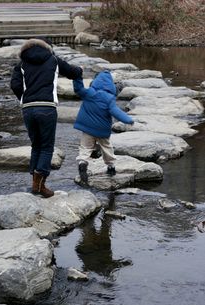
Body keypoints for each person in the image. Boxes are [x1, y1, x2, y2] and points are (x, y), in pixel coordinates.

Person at [10, 38, 82, 198]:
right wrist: (80, 71)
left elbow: (14, 85)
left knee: (36, 145)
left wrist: (24, 98)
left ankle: (35, 184)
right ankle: (40, 183)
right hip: (47, 107)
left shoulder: (21, 63)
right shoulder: (53, 60)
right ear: (47, 47)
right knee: (47, 147)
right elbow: (73, 72)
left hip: (28, 109)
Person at [73, 70, 134, 183]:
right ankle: (111, 167)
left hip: (87, 128)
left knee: (85, 148)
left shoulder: (89, 93)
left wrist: (77, 77)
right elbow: (116, 112)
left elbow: (78, 89)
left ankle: (82, 163)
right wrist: (128, 120)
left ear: (95, 82)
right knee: (106, 148)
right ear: (110, 85)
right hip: (101, 130)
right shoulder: (109, 99)